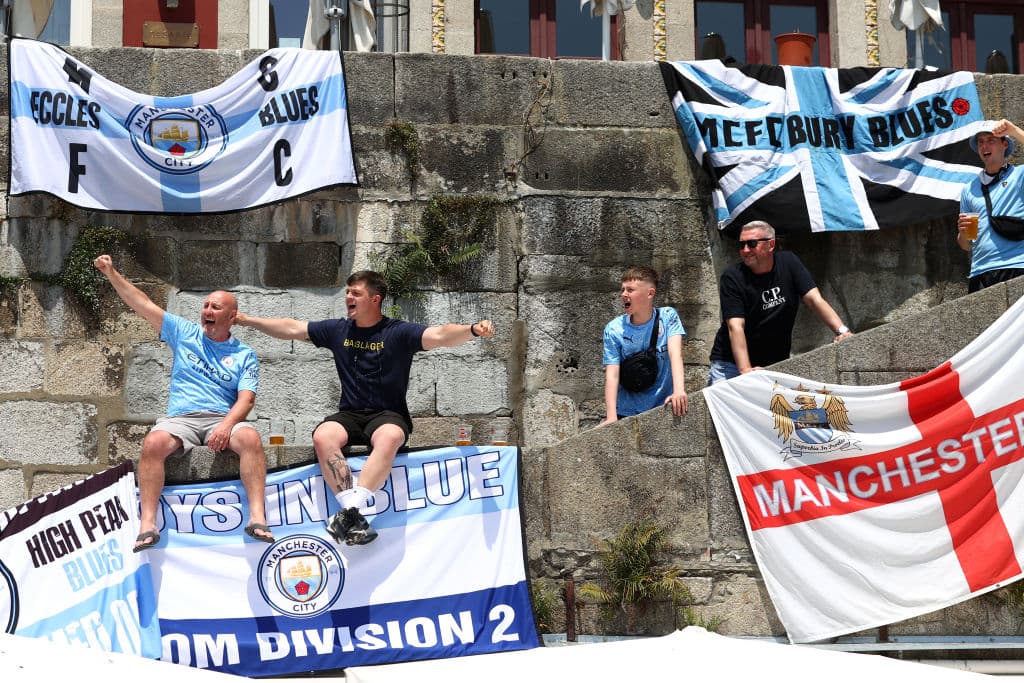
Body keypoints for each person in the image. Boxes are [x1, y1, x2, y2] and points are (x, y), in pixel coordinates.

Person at [235, 270, 494, 547]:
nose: (348, 297)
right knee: (323, 436)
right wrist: (248, 321)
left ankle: (350, 510)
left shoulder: (398, 332)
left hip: (387, 414)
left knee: (391, 437)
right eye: (347, 292)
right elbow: (291, 328)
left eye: (355, 293)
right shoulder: (338, 330)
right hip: (350, 413)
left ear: (375, 299)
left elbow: (441, 334)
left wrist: (472, 331)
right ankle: (352, 515)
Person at [93, 255, 274, 551]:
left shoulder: (244, 354)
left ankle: (257, 517)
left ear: (232, 316)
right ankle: (147, 524)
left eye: (216, 307)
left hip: (221, 417)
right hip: (182, 418)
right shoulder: (184, 332)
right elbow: (143, 304)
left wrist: (227, 426)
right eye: (205, 305)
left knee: (251, 437)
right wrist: (112, 273)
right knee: (153, 443)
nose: (207, 311)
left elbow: (247, 398)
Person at [707, 221, 853, 384]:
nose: (745, 250)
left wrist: (842, 331)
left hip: (774, 363)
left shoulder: (789, 262)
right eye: (742, 245)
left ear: (771, 244)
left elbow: (814, 299)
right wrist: (745, 370)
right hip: (732, 366)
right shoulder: (732, 277)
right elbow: (735, 326)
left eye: (752, 244)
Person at [600, 266, 688, 424]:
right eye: (622, 290)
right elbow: (612, 374)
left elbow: (675, 355)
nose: (623, 295)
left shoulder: (668, 317)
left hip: (662, 406)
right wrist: (611, 416)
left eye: (630, 290)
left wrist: (679, 390)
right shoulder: (614, 329)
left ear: (650, 293)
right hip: (626, 410)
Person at [957, 119, 1024, 292]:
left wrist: (1014, 130)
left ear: (1004, 144)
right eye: (980, 142)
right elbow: (966, 245)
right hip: (979, 272)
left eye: (991, 140)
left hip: (1017, 265)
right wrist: (963, 234)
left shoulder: (1019, 175)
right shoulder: (969, 189)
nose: (984, 146)